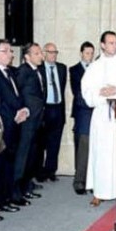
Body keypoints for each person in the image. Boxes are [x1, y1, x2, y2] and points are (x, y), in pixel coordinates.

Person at [82, 31, 116, 206]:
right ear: (102, 45)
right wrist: (100, 92)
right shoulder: (94, 67)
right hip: (101, 116)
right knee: (100, 153)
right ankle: (99, 191)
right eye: (111, 43)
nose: (115, 45)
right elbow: (87, 92)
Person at [0, 39, 29, 221]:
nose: (11, 54)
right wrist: (13, 116)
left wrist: (23, 109)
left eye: (10, 50)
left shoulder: (9, 71)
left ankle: (4, 199)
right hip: (0, 127)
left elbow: (16, 96)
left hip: (13, 125)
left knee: (8, 166)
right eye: (6, 51)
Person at [13, 43, 45, 206]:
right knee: (22, 157)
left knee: (31, 157)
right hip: (27, 122)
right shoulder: (23, 71)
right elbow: (17, 94)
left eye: (40, 53)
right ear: (27, 56)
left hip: (37, 120)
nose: (41, 56)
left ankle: (26, 187)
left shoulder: (37, 70)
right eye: (37, 53)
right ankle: (16, 193)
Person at [36, 43, 67, 182]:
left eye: (55, 52)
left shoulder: (62, 68)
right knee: (41, 142)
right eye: (50, 52)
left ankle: (51, 170)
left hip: (58, 108)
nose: (53, 54)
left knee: (55, 143)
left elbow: (62, 86)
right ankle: (40, 172)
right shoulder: (39, 68)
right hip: (45, 109)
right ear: (44, 53)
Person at [69, 41, 95, 195]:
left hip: (95, 112)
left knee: (93, 147)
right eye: (87, 53)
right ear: (81, 53)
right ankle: (79, 181)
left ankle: (90, 180)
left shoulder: (96, 68)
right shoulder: (74, 70)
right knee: (82, 145)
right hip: (83, 112)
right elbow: (78, 92)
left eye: (92, 53)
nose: (90, 56)